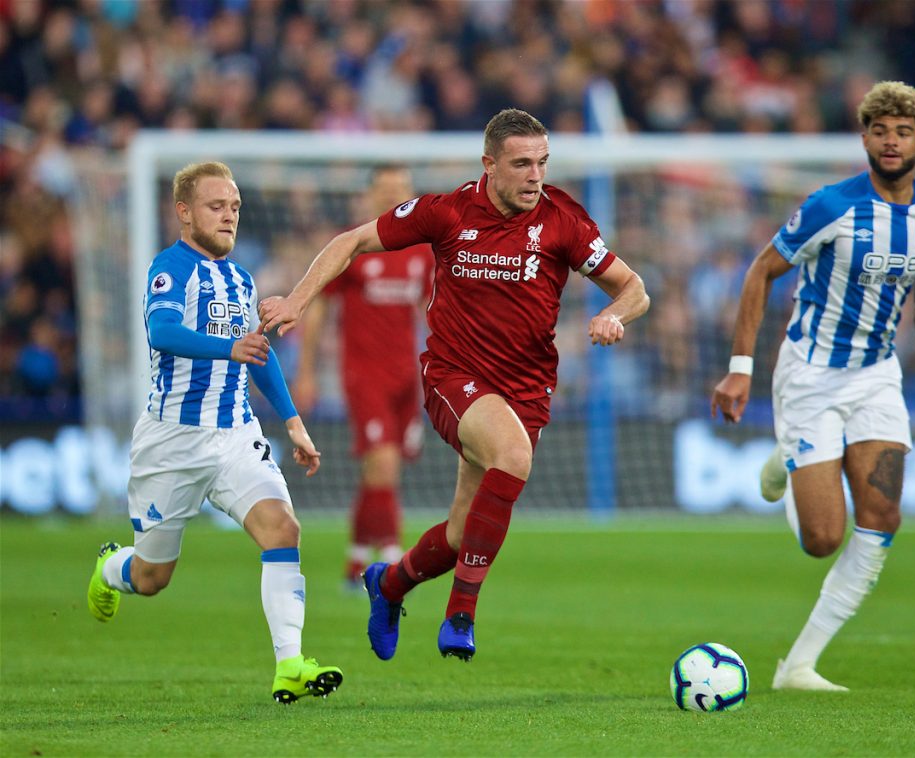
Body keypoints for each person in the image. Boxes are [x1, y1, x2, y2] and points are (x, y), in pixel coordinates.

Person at [260, 108, 650, 662]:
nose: (535, 176)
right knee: (512, 456)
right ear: (489, 165)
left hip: (527, 388)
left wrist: (617, 314)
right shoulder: (444, 212)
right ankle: (460, 613)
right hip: (453, 376)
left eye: (542, 162)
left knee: (465, 531)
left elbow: (634, 287)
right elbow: (350, 241)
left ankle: (388, 584)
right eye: (521, 164)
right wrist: (298, 301)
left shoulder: (564, 219)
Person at [711, 81, 915, 691]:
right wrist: (740, 371)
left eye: (903, 131)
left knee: (883, 515)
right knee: (822, 539)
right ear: (865, 139)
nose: (891, 141)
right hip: (812, 375)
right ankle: (786, 460)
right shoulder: (831, 205)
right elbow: (761, 270)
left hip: (877, 376)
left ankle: (798, 666)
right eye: (880, 130)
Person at [85, 161, 343, 704]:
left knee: (283, 529)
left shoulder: (241, 278)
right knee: (153, 576)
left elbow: (259, 354)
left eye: (234, 208)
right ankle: (111, 568)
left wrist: (293, 423)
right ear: (184, 212)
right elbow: (162, 330)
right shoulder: (169, 268)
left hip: (234, 434)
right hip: (171, 442)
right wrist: (230, 348)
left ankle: (290, 664)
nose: (228, 217)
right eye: (215, 207)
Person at [292, 165, 433, 589]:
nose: (394, 199)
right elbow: (319, 307)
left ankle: (355, 562)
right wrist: (306, 371)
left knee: (379, 472)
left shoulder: (422, 252)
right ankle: (392, 562)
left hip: (407, 376)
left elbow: (434, 310)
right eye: (386, 191)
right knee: (384, 465)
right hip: (363, 374)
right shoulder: (352, 245)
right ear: (370, 197)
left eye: (401, 191)